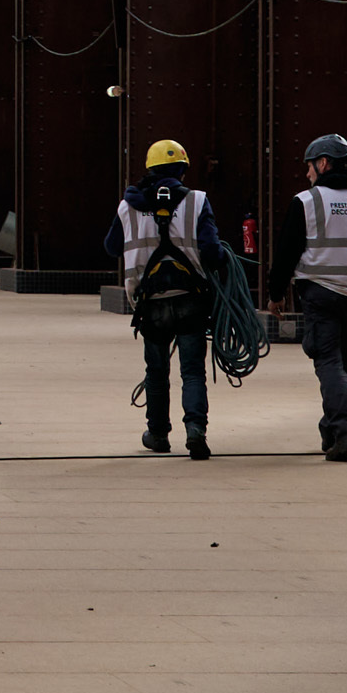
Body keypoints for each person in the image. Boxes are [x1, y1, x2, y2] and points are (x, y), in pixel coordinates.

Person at [276, 132, 347, 460]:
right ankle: (333, 428)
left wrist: (275, 295)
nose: (307, 173)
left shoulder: (307, 202)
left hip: (321, 294)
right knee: (345, 364)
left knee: (328, 362)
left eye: (310, 166)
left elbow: (286, 253)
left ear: (324, 163)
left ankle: (344, 430)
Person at [116, 139, 221, 458]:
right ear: (182, 171)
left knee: (156, 370)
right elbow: (213, 252)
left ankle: (158, 434)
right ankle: (196, 430)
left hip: (151, 302)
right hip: (190, 298)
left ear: (149, 169)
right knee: (192, 370)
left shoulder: (127, 206)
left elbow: (111, 245)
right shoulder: (198, 202)